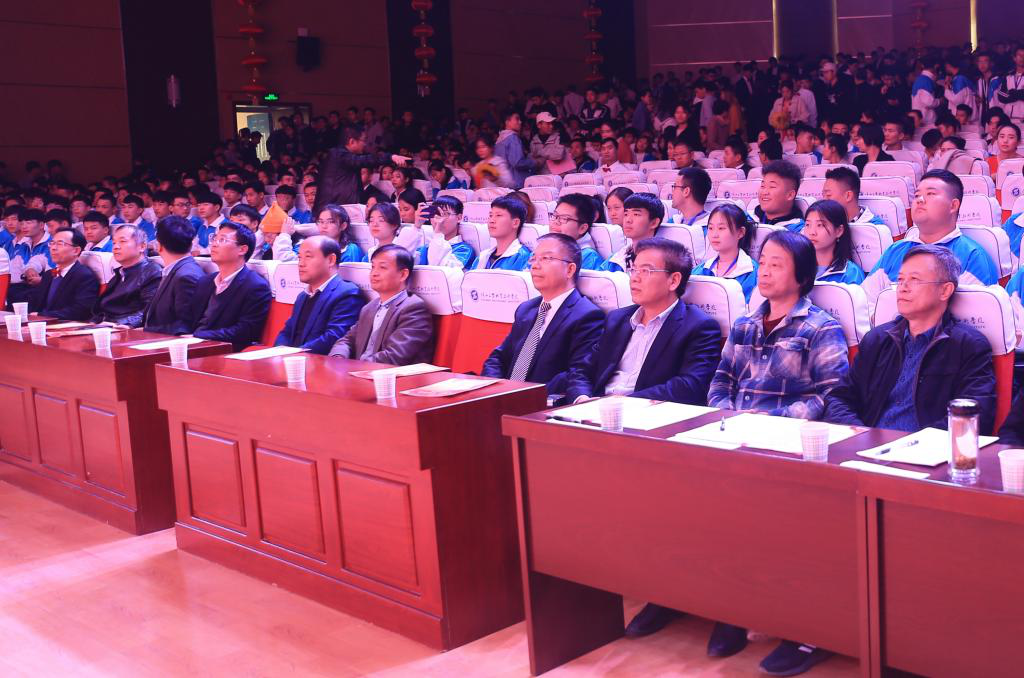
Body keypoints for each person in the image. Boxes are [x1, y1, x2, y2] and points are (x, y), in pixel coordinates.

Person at [704, 230, 849, 675]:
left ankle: (794, 620)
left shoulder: (820, 327)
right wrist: (727, 415)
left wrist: (775, 424)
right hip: (734, 438)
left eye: (776, 264)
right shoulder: (746, 324)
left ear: (802, 276)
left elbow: (832, 394)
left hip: (786, 444)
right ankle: (733, 606)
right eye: (762, 262)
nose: (764, 271)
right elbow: (722, 379)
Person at [826, 245, 995, 433]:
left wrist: (916, 443)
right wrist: (859, 433)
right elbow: (838, 398)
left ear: (945, 290)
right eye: (900, 279)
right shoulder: (877, 339)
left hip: (929, 448)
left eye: (914, 279)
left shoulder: (968, 345)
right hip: (869, 443)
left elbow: (974, 414)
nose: (903, 288)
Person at [566, 236, 720, 403]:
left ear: (674, 281)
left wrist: (621, 404)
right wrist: (582, 399)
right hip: (596, 409)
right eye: (633, 269)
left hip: (647, 413)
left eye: (646, 271)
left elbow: (689, 386)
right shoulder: (617, 319)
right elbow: (582, 370)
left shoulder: (698, 326)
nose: (634, 278)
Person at [482, 233, 604, 394]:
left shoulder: (587, 316)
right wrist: (495, 391)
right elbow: (497, 358)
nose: (535, 266)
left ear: (570, 269)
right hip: (504, 396)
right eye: (533, 259)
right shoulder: (526, 309)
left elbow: (576, 374)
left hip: (542, 400)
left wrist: (524, 394)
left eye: (546, 258)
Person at [862, 170, 998, 301]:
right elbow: (866, 301)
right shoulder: (895, 250)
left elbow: (974, 311)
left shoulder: (972, 256)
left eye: (931, 194)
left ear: (953, 205)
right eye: (917, 195)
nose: (920, 200)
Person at [328, 244, 434, 364]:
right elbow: (346, 340)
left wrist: (353, 366)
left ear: (403, 274)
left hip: (390, 374)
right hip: (359, 370)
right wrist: (338, 358)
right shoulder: (369, 307)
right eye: (373, 267)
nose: (374, 273)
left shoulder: (414, 308)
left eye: (382, 267)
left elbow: (394, 356)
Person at [189, 222, 272, 352]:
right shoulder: (205, 282)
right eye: (214, 238)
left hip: (224, 351)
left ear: (242, 249)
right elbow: (188, 318)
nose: (214, 244)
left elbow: (245, 331)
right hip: (192, 344)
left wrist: (198, 336)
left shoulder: (255, 286)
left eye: (222, 240)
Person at [275, 236, 365, 354]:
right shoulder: (302, 296)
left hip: (319, 361)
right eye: (299, 257)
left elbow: (334, 337)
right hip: (292, 359)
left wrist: (295, 353)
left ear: (331, 260)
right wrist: (278, 352)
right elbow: (287, 332)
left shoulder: (347, 294)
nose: (301, 264)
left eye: (308, 257)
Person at [315, 127, 410, 213]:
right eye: (363, 140)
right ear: (352, 141)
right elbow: (365, 160)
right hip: (331, 211)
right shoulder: (338, 154)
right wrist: (391, 157)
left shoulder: (340, 155)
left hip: (336, 208)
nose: (365, 144)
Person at [91, 224, 162, 327]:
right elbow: (102, 310)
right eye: (114, 242)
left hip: (125, 329)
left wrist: (117, 325)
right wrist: (93, 323)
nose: (116, 247)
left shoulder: (153, 272)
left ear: (142, 246)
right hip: (105, 327)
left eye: (123, 241)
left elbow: (148, 311)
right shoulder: (119, 273)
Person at [143, 216, 203, 335]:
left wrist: (143, 331)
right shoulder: (176, 269)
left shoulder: (187, 276)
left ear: (159, 246)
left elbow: (185, 326)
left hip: (166, 341)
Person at [28, 227, 98, 321]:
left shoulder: (84, 276)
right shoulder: (48, 274)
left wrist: (41, 315)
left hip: (66, 325)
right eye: (52, 243)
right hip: (40, 323)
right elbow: (36, 302)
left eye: (60, 244)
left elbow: (80, 311)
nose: (53, 248)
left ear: (76, 250)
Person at [692, 203, 759, 301]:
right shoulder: (702, 269)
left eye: (721, 228)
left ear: (740, 232)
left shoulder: (751, 271)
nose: (714, 235)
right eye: (710, 228)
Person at [802, 199, 865, 284]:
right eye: (807, 225)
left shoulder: (851, 274)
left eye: (820, 225)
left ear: (839, 231)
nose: (812, 232)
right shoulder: (797, 268)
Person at [602, 192, 664, 272]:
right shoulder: (616, 259)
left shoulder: (662, 261)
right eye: (626, 214)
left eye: (636, 214)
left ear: (654, 223)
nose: (628, 220)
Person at [417, 195, 477, 269]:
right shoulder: (425, 248)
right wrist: (416, 227)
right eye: (435, 214)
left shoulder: (464, 250)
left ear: (459, 218)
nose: (437, 219)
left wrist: (438, 233)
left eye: (445, 214)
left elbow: (439, 271)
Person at [547, 194, 603, 270]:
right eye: (555, 215)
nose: (556, 222)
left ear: (582, 228)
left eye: (564, 218)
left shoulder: (589, 258)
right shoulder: (543, 248)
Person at [476, 195, 532, 270]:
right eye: (490, 215)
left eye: (498, 215)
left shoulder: (524, 257)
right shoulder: (483, 256)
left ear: (515, 223)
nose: (491, 220)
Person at [821, 166, 886, 226]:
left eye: (828, 195)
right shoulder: (822, 224)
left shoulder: (875, 228)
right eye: (823, 195)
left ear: (848, 196)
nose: (823, 200)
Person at [752, 160, 805, 231]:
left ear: (790, 195)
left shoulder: (798, 231)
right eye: (762, 186)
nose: (764, 192)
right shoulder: (748, 220)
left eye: (772, 187)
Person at [495, 110, 533, 188]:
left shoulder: (499, 140)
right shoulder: (513, 138)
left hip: (503, 184)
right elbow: (517, 162)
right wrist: (534, 162)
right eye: (517, 119)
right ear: (507, 122)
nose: (520, 122)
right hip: (516, 183)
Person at [995, 46, 1024, 125]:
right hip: (1007, 118)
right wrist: (1019, 94)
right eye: (1019, 55)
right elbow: (1001, 96)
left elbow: (1007, 95)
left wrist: (1011, 93)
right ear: (1014, 58)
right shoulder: (1008, 75)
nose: (1022, 58)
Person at [911, 61, 944, 126]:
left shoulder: (922, 79)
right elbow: (929, 102)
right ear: (936, 66)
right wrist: (940, 101)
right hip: (926, 119)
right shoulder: (925, 81)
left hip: (922, 116)